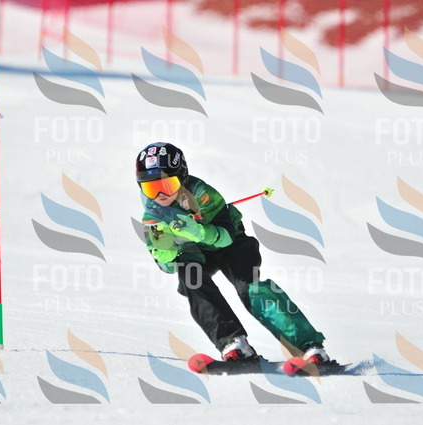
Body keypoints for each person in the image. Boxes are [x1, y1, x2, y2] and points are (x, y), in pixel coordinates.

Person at [136, 142, 331, 364]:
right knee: (191, 280)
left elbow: (226, 237)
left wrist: (198, 231)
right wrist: (165, 249)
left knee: (250, 289)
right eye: (150, 188)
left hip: (231, 245)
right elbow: (168, 267)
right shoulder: (152, 217)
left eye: (167, 185)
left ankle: (308, 346)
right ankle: (233, 343)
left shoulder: (201, 193)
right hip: (195, 252)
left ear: (182, 177)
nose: (160, 194)